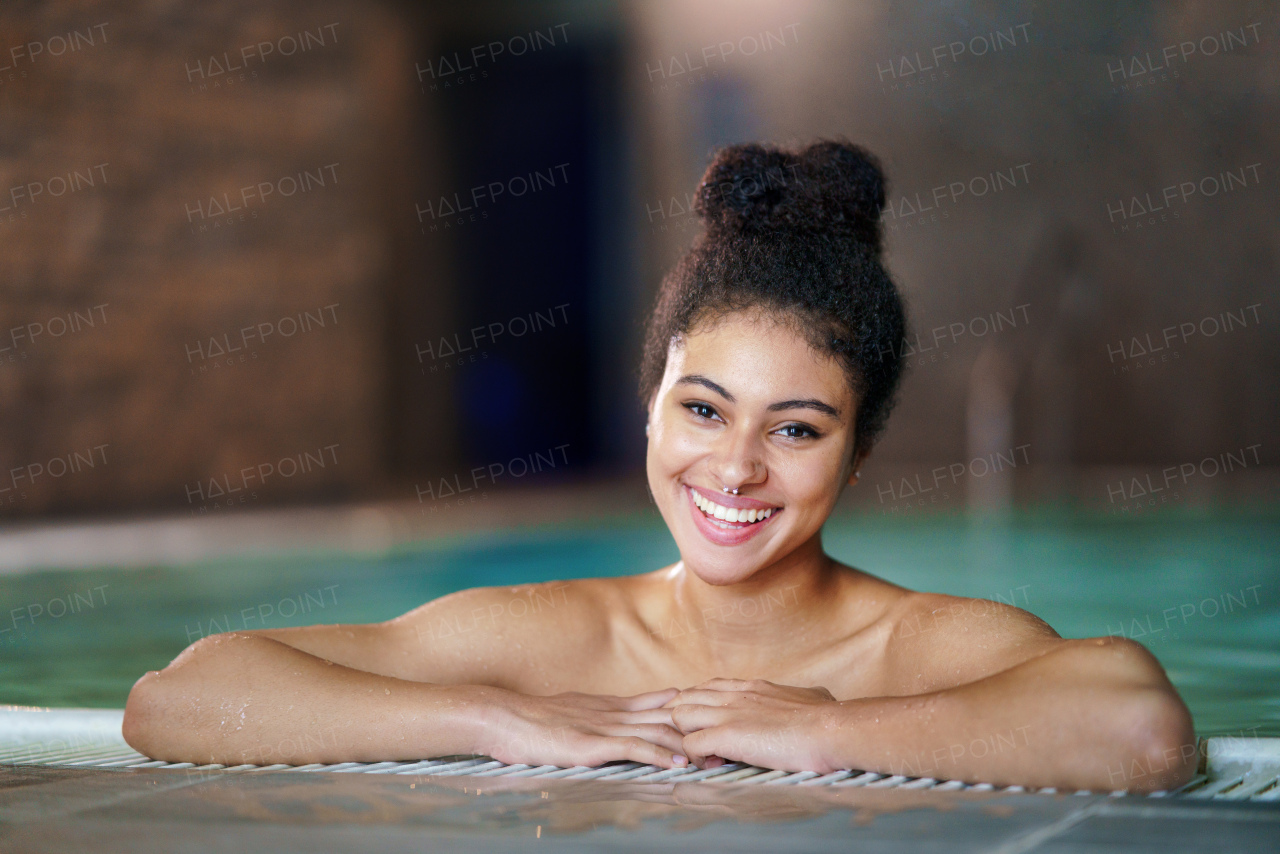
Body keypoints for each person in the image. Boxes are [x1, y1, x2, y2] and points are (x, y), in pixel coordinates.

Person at [123, 139, 1196, 793]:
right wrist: (493, 714)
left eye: (794, 428)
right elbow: (180, 696)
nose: (732, 467)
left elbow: (1141, 728)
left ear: (856, 454)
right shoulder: (551, 639)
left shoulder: (910, 648)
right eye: (701, 409)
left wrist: (825, 731)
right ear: (648, 411)